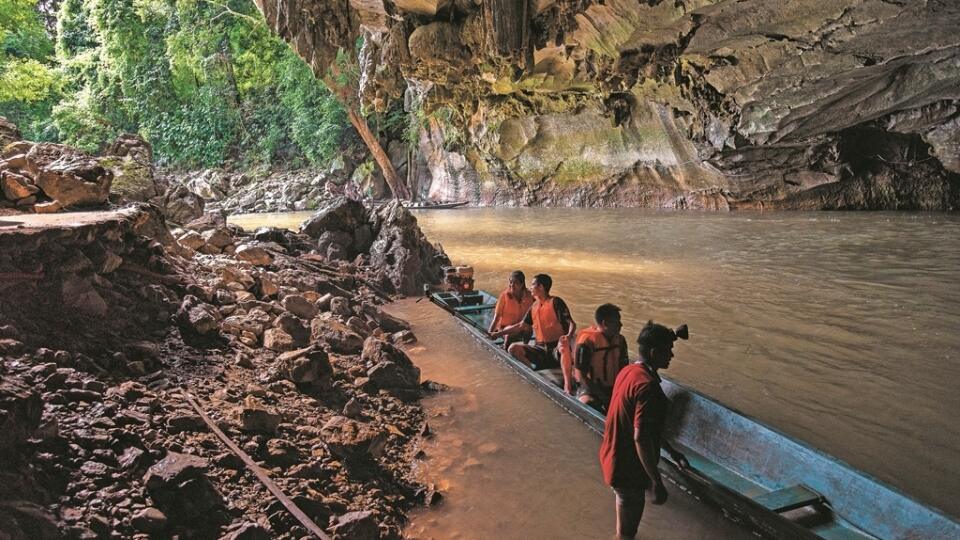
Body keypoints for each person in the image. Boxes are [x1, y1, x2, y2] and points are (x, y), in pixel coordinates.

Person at [598, 321, 691, 539]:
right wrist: (656, 480)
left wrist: (671, 451)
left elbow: (646, 430)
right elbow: (640, 438)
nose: (672, 356)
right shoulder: (648, 388)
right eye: (669, 350)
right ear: (654, 352)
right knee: (626, 534)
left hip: (612, 457)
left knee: (624, 529)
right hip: (627, 470)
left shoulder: (629, 371)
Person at [493, 274, 576, 382]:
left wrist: (568, 336)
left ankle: (568, 385)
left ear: (541, 287)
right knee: (513, 349)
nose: (530, 288)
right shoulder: (534, 306)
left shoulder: (556, 302)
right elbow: (520, 326)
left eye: (533, 285)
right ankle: (534, 374)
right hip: (540, 350)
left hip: (556, 349)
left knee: (564, 346)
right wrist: (497, 334)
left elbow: (572, 324)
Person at [574, 303, 629, 412]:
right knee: (587, 403)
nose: (621, 325)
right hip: (591, 388)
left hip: (614, 387)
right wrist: (603, 397)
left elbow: (624, 369)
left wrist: (619, 393)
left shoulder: (620, 340)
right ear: (605, 323)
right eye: (617, 321)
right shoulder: (587, 342)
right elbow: (582, 376)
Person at [487, 270, 535, 349]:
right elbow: (497, 317)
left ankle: (525, 346)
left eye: (515, 283)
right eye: (510, 282)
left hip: (521, 327)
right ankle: (505, 348)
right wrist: (490, 332)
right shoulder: (504, 295)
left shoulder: (530, 295)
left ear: (522, 284)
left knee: (528, 327)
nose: (512, 285)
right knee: (510, 332)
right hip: (504, 329)